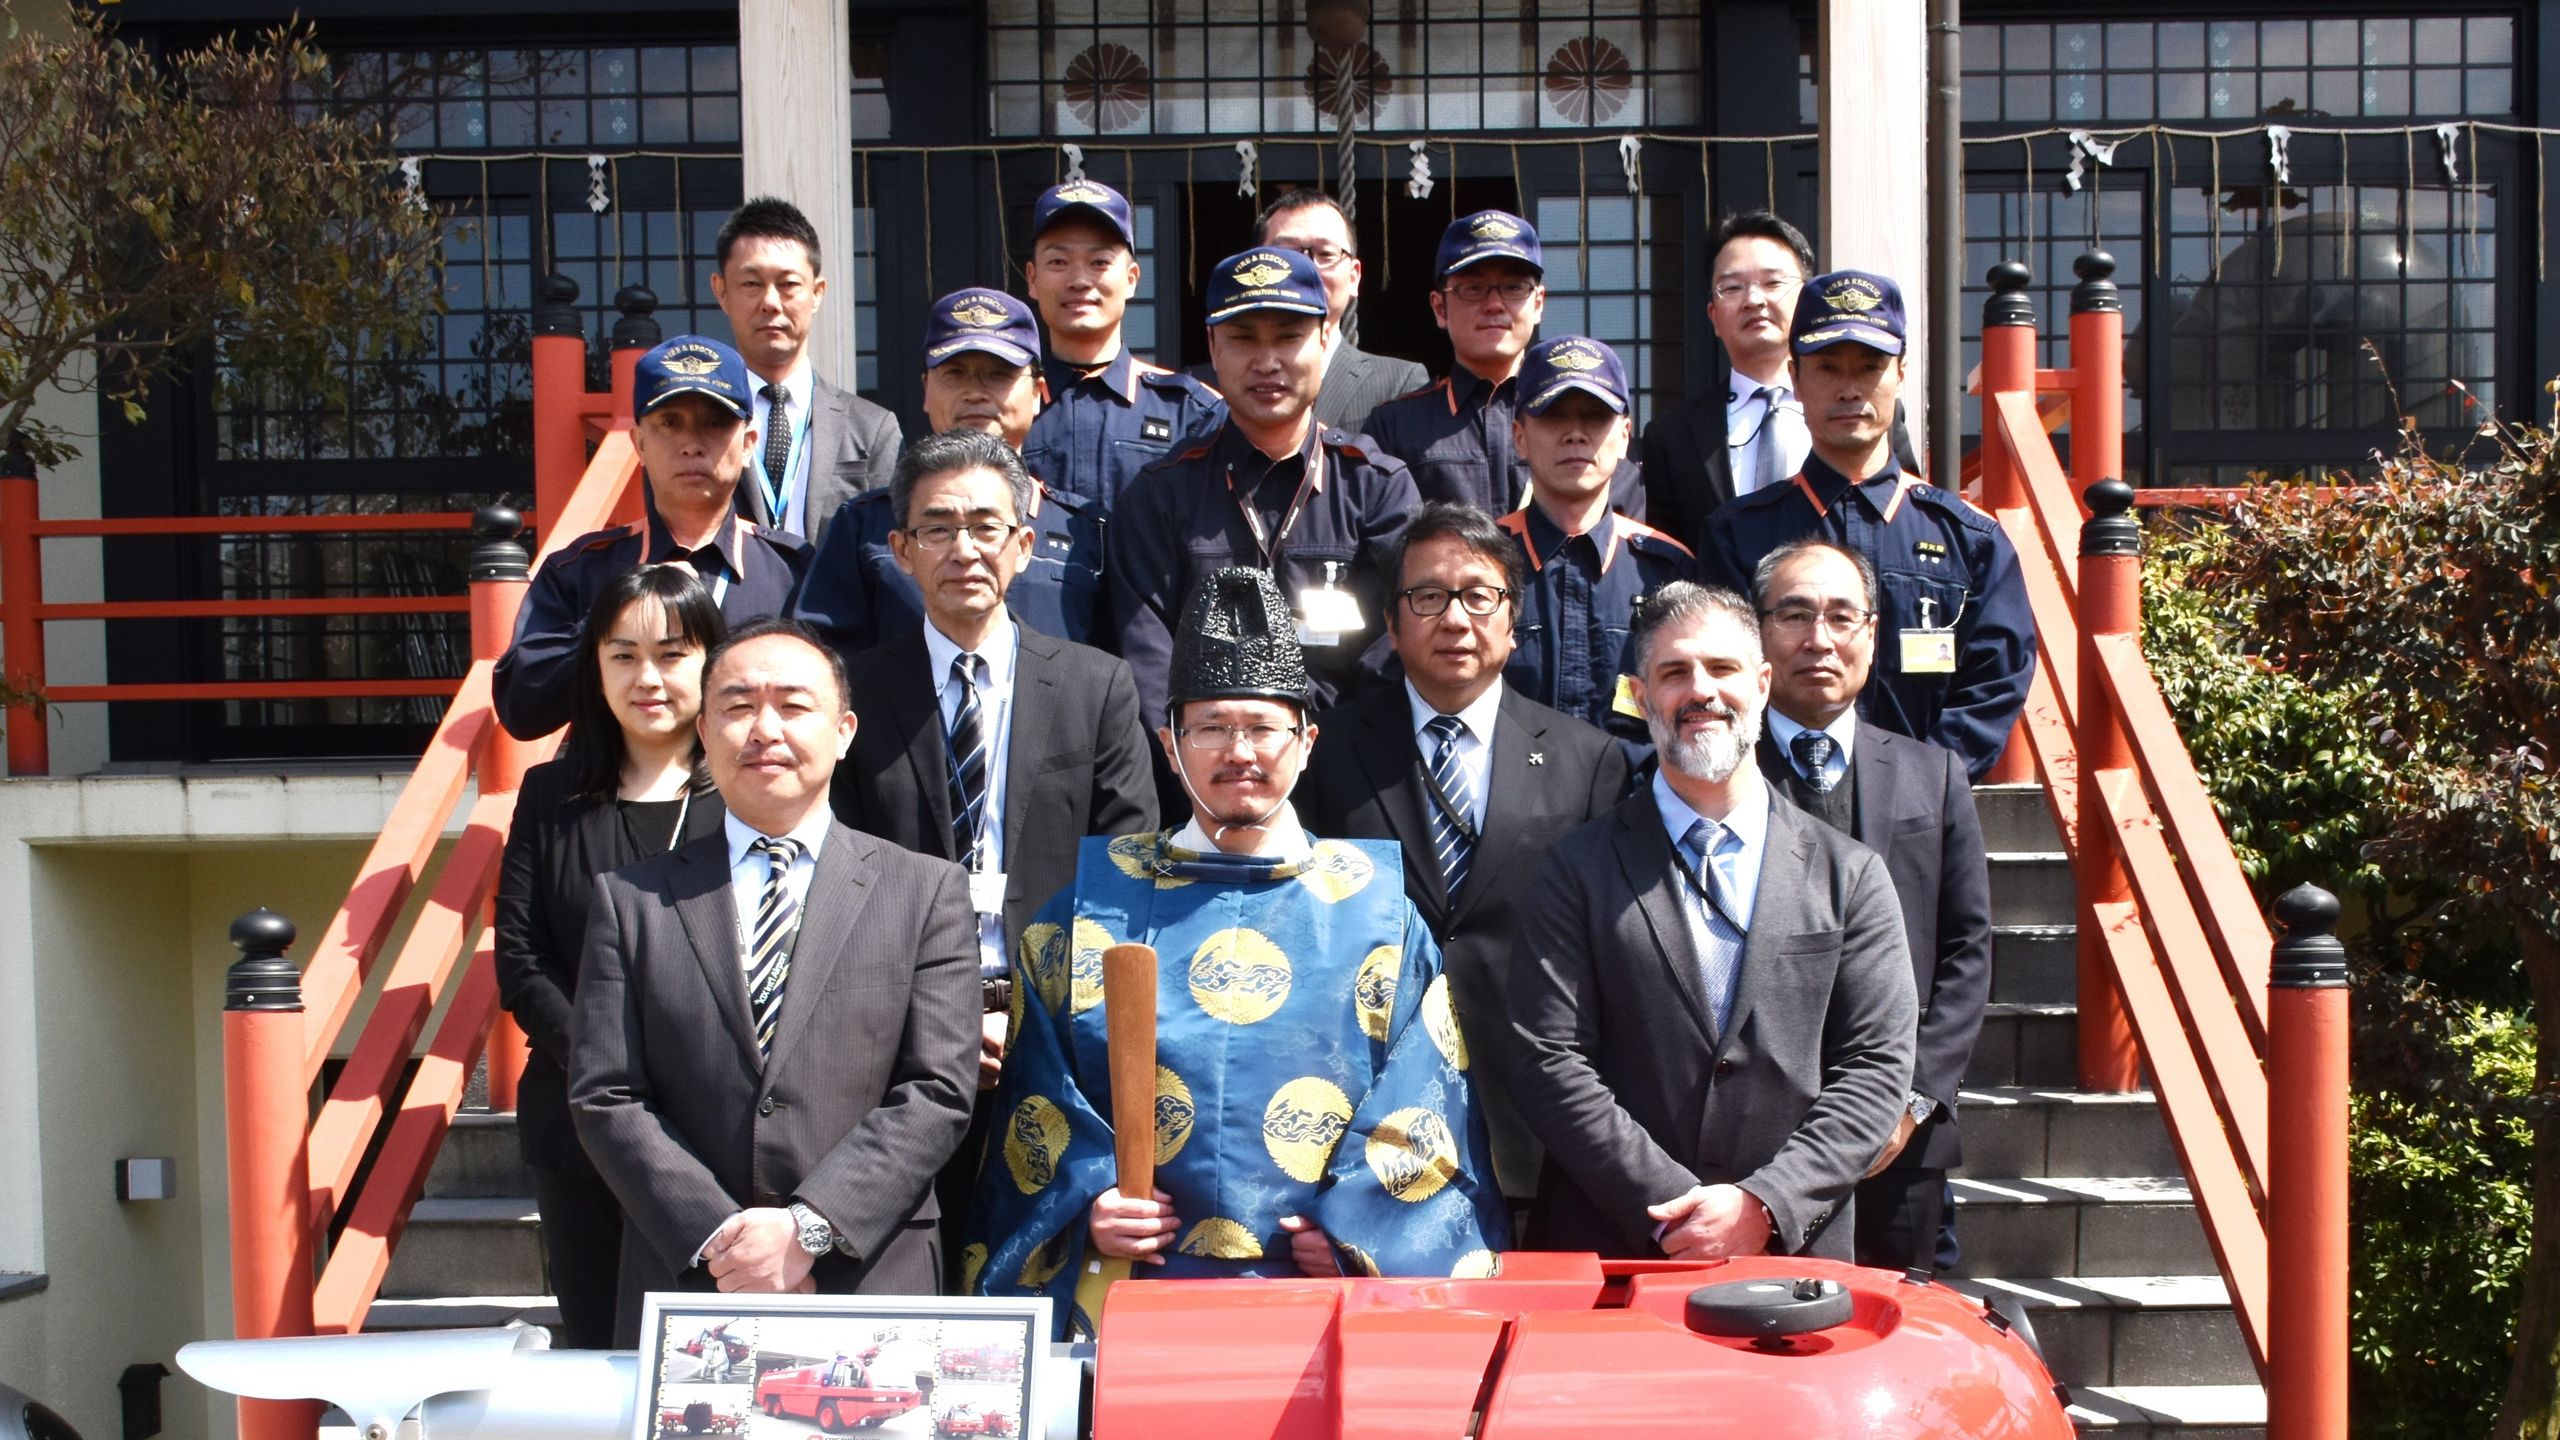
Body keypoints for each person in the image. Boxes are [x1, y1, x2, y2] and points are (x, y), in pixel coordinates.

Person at [968, 567, 1508, 1338]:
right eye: (1212, 727)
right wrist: (1087, 1204)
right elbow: (1036, 1101)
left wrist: (1365, 1232)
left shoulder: (1379, 910)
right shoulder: (1088, 910)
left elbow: (1426, 1103)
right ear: (1169, 743)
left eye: (1264, 727)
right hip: (1131, 1290)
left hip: (1320, 1293)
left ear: (1307, 741)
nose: (1240, 751)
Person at [569, 616, 979, 1344]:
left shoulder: (925, 892)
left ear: (845, 730)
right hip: (693, 1280)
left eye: (793, 706)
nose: (764, 729)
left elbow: (939, 1087)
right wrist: (723, 1235)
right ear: (702, 730)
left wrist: (810, 1228)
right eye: (736, 706)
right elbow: (607, 1093)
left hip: (868, 1274)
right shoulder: (632, 901)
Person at [1495, 581, 1915, 1261]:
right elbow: (1547, 1057)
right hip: (1615, 1245)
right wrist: (1675, 1209)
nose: (1701, 691)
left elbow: (1875, 1066)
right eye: (1673, 672)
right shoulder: (1576, 867)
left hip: (1794, 1255)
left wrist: (1766, 1204)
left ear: (1764, 681)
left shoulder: (1850, 874)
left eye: (1721, 669)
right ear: (1639, 694)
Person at [828, 428, 1158, 1285]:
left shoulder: (1096, 686)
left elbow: (1121, 875)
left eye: (986, 526)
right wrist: (937, 1017)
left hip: (1054, 1037)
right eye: (936, 528)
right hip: (895, 1049)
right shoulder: (854, 695)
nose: (963, 549)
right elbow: (840, 880)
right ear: (900, 551)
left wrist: (1036, 1020)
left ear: (1024, 544)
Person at [1296, 501, 1629, 1207]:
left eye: (1479, 596)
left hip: (1538, 1113)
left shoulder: (1589, 760)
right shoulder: (1331, 752)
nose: (1454, 619)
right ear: (1391, 621)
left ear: (1512, 621)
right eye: (1428, 597)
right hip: (1368, 1107)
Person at [493, 565, 729, 1349]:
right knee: (599, 1348)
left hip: (718, 1128)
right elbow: (523, 959)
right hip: (578, 1121)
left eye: (672, 653)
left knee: (712, 1352)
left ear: (710, 662)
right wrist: (605, 1062)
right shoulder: (550, 797)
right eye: (622, 655)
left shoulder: (748, 800)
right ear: (593, 666)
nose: (648, 678)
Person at [1751, 538, 1991, 1271]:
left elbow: (1967, 947)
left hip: (1900, 1141)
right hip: (1755, 1135)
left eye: (1840, 616)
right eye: (1793, 615)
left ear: (1872, 633)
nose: (1817, 638)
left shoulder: (1934, 774)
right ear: (1759, 634)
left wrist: (1914, 1099)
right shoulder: (1717, 772)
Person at [1697, 271, 2034, 781]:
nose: (1850, 388)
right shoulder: (1738, 535)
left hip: (1923, 813)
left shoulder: (1969, 541)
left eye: (1870, 367)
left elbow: (1995, 681)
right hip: (1776, 803)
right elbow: (1722, 672)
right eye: (1828, 367)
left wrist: (1924, 782)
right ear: (1795, 376)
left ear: (1900, 372)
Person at [1109, 246, 1417, 728]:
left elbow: (1398, 648)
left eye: (1289, 337)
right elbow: (1146, 661)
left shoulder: (1376, 488)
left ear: (1322, 339)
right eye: (1243, 339)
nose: (1267, 361)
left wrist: (1337, 761)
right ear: (1212, 347)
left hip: (1345, 772)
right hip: (1204, 771)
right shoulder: (1161, 496)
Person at [494, 334, 813, 740]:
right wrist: (616, 618)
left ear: (749, 443)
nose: (692, 444)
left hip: (751, 801)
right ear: (640, 443)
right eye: (670, 423)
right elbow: (522, 708)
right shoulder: (581, 571)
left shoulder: (794, 571)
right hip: (618, 798)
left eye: (714, 423)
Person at [793, 288, 1108, 652]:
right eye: (955, 374)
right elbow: (824, 663)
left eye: (998, 375)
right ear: (926, 389)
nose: (974, 393)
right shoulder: (867, 525)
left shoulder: (1088, 530)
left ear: (1038, 391)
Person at [1637, 211, 1920, 554]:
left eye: (1772, 283)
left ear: (1805, 300)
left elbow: (1905, 520)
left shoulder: (1867, 410)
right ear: (1713, 316)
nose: (1754, 300)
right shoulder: (1672, 435)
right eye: (1733, 287)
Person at [1493, 336, 1697, 737]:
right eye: (1554, 415)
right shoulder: (1482, 563)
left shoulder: (1669, 570)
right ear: (1519, 436)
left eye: (1594, 415)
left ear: (1624, 435)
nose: (1575, 434)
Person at [1016, 179, 1225, 508]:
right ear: (1032, 278)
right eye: (1058, 262)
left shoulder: (1191, 411)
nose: (1080, 281)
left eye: (1099, 262)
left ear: (1131, 280)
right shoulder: (1006, 409)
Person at [709, 197, 903, 543]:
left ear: (817, 292)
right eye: (751, 284)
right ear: (721, 291)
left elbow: (888, 554)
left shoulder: (873, 429)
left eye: (788, 285)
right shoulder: (698, 421)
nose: (770, 302)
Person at [1184, 189, 1427, 431]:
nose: (1307, 268)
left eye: (1326, 254)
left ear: (1354, 277)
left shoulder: (1399, 384)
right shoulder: (1195, 389)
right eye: (1288, 254)